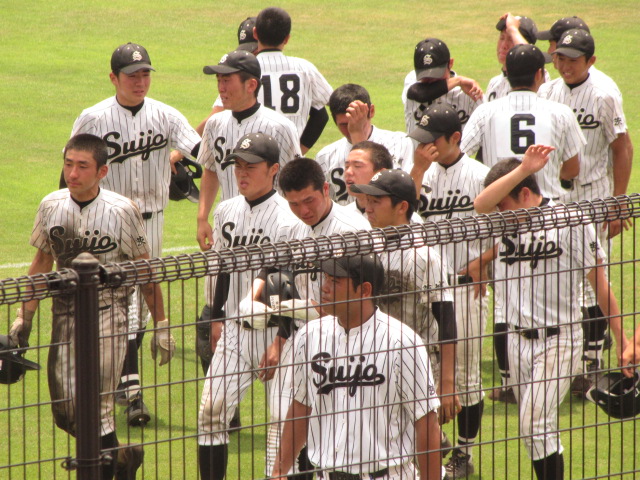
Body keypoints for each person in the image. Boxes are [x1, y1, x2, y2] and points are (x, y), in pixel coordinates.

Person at [8, 134, 175, 479]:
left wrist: (161, 322)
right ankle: (122, 457)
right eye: (68, 164)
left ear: (102, 171)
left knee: (97, 408)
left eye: (82, 166)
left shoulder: (122, 211)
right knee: (65, 414)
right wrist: (23, 317)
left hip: (110, 315)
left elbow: (144, 269)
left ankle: (99, 470)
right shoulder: (51, 205)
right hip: (65, 317)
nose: (72, 173)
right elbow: (42, 261)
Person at [473, 144, 627, 480]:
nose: (499, 214)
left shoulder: (570, 221)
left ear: (526, 194)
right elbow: (480, 204)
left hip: (560, 340)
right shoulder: (503, 223)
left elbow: (600, 285)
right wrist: (522, 168)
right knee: (535, 431)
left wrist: (623, 339)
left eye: (506, 206)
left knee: (533, 422)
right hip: (516, 341)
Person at [68, 42, 200, 426]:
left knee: (139, 305)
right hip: (105, 220)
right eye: (132, 75)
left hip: (152, 220)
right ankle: (130, 388)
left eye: (145, 74)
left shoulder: (166, 115)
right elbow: (71, 169)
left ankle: (125, 385)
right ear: (114, 78)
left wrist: (180, 158)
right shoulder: (93, 118)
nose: (140, 81)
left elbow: (203, 152)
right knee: (110, 301)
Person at [271, 254, 443, 480]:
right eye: (326, 278)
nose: (324, 288)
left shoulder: (403, 343)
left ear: (364, 290)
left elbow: (426, 422)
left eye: (335, 281)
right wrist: (279, 471)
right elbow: (301, 407)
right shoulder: (309, 336)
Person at [197, 132, 301, 480]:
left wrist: (280, 340)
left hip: (280, 332)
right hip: (235, 331)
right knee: (211, 414)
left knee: (281, 425)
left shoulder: (289, 218)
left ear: (273, 169)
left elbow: (289, 282)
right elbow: (222, 268)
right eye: (238, 166)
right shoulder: (226, 210)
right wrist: (215, 317)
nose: (242, 173)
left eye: (251, 167)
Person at [538, 28, 632, 397]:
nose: (565, 65)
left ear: (590, 61)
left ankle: (590, 366)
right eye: (560, 58)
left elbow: (622, 147)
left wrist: (617, 200)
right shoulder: (548, 91)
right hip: (558, 199)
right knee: (562, 279)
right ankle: (573, 362)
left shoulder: (605, 94)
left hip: (593, 196)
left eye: (573, 59)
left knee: (593, 280)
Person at [350, 169, 458, 459]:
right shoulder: (368, 245)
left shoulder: (423, 256)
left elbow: (447, 319)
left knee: (415, 449)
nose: (367, 208)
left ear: (401, 207)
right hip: (377, 361)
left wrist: (448, 383)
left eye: (376, 202)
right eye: (366, 201)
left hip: (417, 363)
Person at [408, 104, 490, 478]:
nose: (424, 147)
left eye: (432, 141)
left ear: (455, 139)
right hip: (421, 291)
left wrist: (483, 260)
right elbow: (400, 213)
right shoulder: (417, 174)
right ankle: (433, 443)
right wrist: (419, 170)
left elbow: (511, 229)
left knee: (466, 379)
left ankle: (464, 452)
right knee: (419, 372)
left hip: (464, 290)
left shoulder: (481, 175)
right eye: (420, 141)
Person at [197, 49, 301, 249]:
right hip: (226, 222)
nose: (221, 88)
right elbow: (211, 170)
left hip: (270, 226)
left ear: (251, 85)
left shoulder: (279, 127)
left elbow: (293, 180)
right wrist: (202, 218)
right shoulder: (214, 124)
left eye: (227, 80)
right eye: (218, 80)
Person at [461, 43, 585, 202]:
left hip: (502, 210)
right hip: (547, 213)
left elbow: (461, 156)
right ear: (539, 75)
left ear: (508, 74)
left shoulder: (485, 112)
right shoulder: (562, 113)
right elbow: (572, 169)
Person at [315, 83, 414, 204]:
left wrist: (358, 135)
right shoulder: (325, 156)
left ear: (371, 111)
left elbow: (406, 194)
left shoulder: (400, 142)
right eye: (344, 124)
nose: (351, 128)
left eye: (356, 121)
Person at [254, 6, 333, 153]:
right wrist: (299, 151)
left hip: (251, 158)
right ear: (287, 38)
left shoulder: (244, 69)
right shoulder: (304, 68)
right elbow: (323, 114)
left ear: (255, 33)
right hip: (290, 161)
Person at [402, 38, 483, 134]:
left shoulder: (467, 92)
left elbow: (486, 127)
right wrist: (458, 80)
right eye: (425, 76)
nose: (431, 80)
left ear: (451, 63)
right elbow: (420, 94)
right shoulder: (412, 80)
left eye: (436, 75)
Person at [486, 13, 551, 102]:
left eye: (511, 39)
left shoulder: (538, 76)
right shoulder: (494, 83)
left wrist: (513, 29)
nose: (504, 45)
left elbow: (530, 59)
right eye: (502, 38)